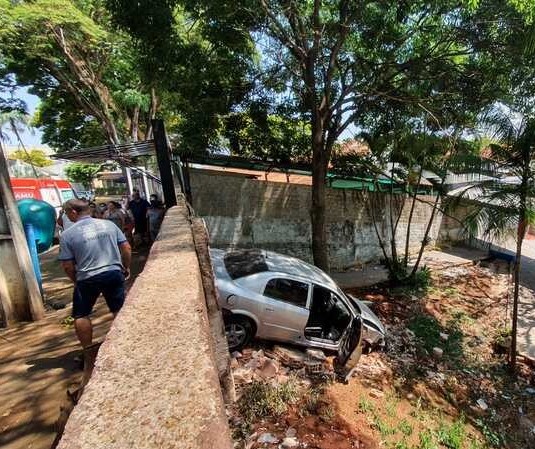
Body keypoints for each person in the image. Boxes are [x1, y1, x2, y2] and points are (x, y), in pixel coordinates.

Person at [58, 199, 131, 349]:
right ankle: (125, 344)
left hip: (86, 277)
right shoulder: (108, 225)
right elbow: (126, 248)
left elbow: (67, 266)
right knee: (119, 309)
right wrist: (126, 267)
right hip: (112, 272)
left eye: (66, 212)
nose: (66, 216)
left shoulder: (67, 235)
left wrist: (76, 280)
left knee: (81, 315)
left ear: (73, 212)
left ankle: (88, 350)